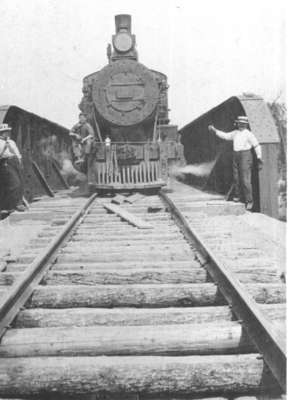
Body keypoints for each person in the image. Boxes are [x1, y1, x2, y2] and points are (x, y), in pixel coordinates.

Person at [208, 116, 263, 211]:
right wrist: (215, 130)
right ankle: (237, 197)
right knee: (236, 177)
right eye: (240, 123)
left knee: (245, 180)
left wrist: (259, 158)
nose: (241, 125)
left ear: (245, 124)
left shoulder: (249, 134)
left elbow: (256, 145)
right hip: (236, 155)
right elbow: (225, 136)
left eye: (243, 124)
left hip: (245, 156)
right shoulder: (235, 133)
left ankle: (249, 201)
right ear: (238, 124)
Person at [0, 123, 26, 215]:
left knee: (20, 183)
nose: (7, 133)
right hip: (5, 163)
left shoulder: (12, 142)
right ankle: (9, 206)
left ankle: (18, 204)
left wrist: (20, 162)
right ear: (1, 133)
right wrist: (4, 148)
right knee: (14, 184)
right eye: (4, 132)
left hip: (15, 162)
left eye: (7, 132)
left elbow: (17, 153)